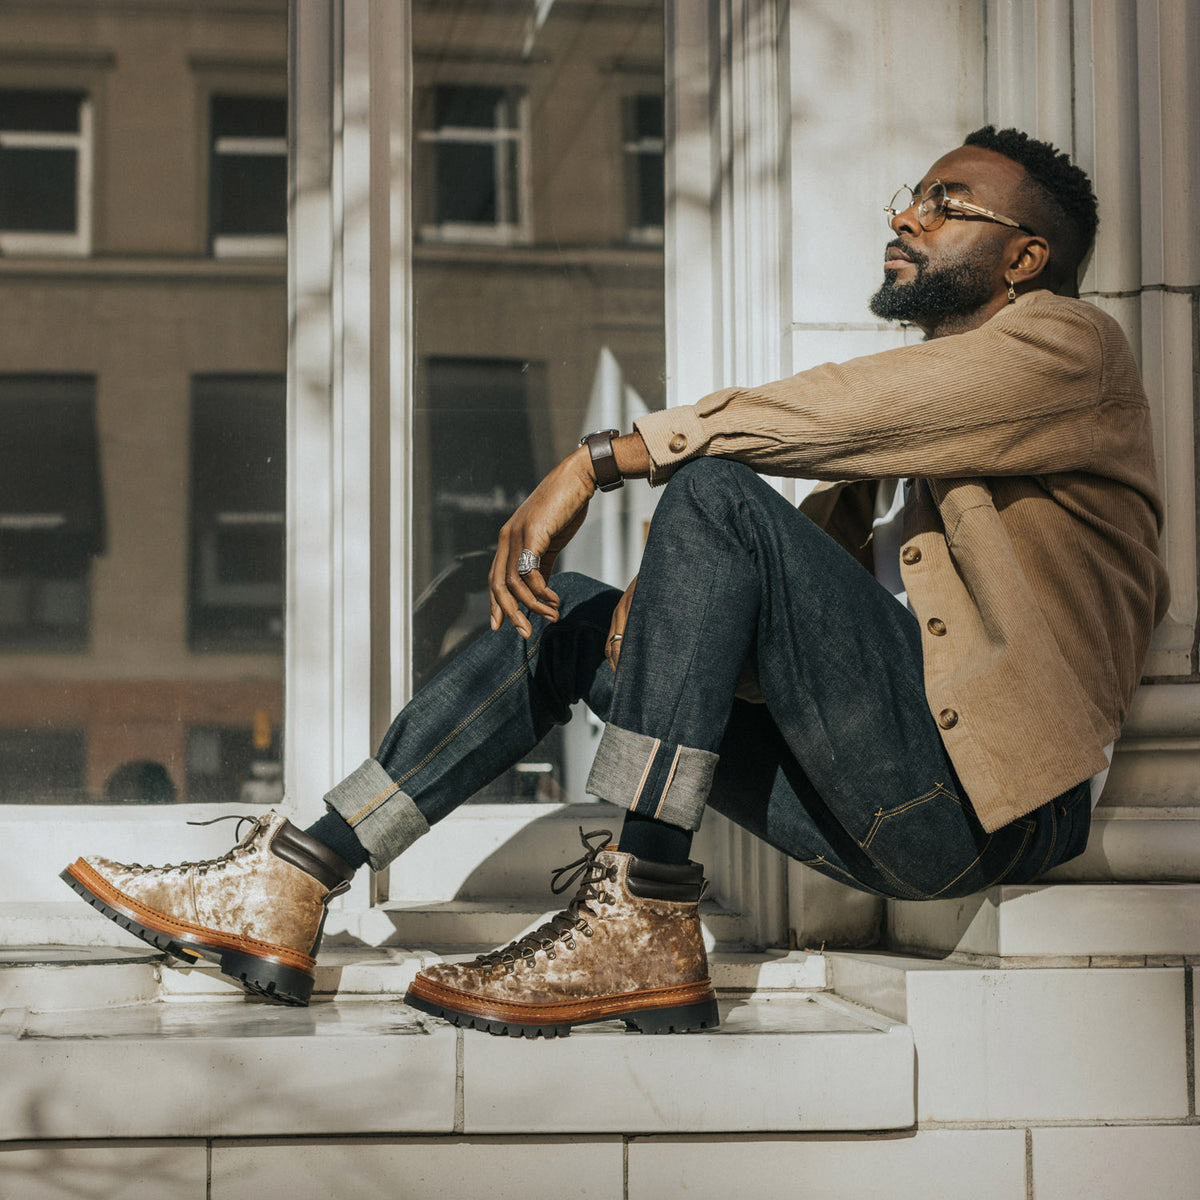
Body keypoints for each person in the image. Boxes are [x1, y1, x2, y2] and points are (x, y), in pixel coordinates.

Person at [61, 127, 1168, 1038]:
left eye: (947, 201)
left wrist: (600, 458)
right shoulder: (920, 438)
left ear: (1026, 259)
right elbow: (812, 636)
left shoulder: (1076, 351)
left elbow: (838, 414)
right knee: (578, 622)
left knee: (717, 486)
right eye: (910, 194)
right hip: (895, 801)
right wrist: (668, 633)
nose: (906, 217)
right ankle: (298, 879)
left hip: (993, 814)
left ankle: (642, 903)